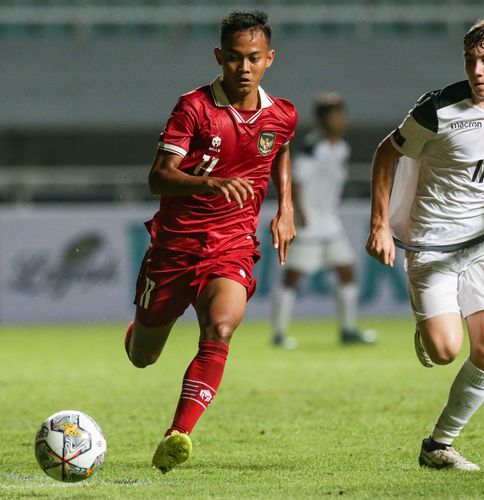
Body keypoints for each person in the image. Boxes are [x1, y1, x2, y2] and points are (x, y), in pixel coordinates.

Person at [124, 11, 297, 473]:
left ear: (269, 60)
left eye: (254, 59)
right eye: (235, 58)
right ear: (220, 57)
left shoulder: (283, 114)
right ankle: (139, 330)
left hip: (233, 244)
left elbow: (279, 147)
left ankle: (177, 433)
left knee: (220, 329)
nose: (244, 68)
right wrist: (211, 183)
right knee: (143, 357)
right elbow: (158, 178)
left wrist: (286, 208)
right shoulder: (194, 108)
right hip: (174, 248)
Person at [366, 18, 484, 471]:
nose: (478, 70)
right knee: (445, 351)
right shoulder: (437, 109)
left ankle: (438, 444)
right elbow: (387, 152)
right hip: (431, 247)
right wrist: (380, 224)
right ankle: (430, 334)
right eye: (470, 61)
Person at [271, 93, 377, 349]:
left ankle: (348, 330)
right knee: (292, 278)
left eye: (342, 114)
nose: (340, 120)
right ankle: (279, 333)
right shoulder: (312, 147)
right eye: (334, 115)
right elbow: (294, 180)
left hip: (331, 224)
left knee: (347, 272)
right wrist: (297, 211)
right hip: (309, 226)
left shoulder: (341, 148)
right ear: (322, 119)